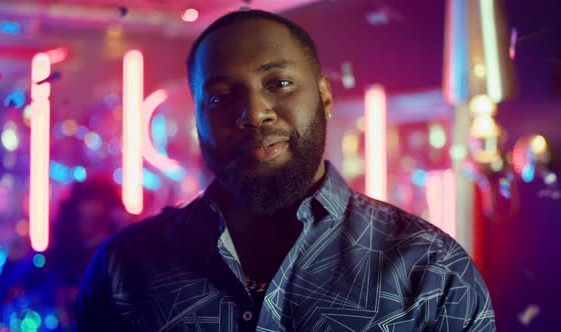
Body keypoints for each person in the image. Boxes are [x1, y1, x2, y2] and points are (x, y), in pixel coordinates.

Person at [76, 9, 496, 331]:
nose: (255, 114)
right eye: (222, 96)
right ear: (199, 119)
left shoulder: (431, 271)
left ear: (325, 96)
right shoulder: (124, 270)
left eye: (278, 83)